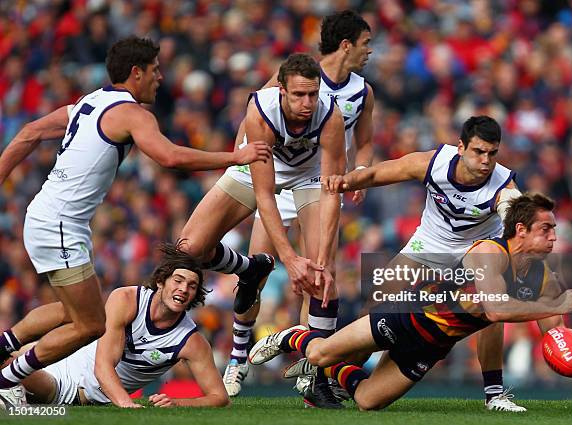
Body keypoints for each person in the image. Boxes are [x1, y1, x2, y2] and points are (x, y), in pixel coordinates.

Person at [0, 36, 271, 403]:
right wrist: (235, 157)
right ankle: (7, 379)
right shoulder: (130, 113)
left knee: (75, 312)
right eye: (155, 70)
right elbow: (170, 157)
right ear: (136, 72)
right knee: (91, 325)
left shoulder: (88, 102)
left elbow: (29, 133)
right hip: (61, 225)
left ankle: (6, 346)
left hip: (45, 215)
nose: (160, 77)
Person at [249, 193, 572, 411]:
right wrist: (558, 306)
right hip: (407, 315)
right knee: (316, 354)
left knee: (367, 401)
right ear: (521, 230)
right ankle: (291, 336)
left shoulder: (542, 276)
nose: (555, 237)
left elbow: (552, 328)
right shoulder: (489, 252)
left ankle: (335, 370)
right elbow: (496, 310)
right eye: (547, 229)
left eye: (555, 229)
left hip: (433, 345)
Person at [321, 115, 531, 411]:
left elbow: (517, 214)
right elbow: (378, 173)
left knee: (489, 309)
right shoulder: (433, 164)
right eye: (479, 151)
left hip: (477, 250)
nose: (486, 161)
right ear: (461, 147)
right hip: (431, 244)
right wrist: (345, 181)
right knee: (378, 301)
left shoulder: (504, 186)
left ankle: (494, 394)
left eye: (492, 153)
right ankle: (331, 380)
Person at [223, 10, 374, 402]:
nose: (370, 51)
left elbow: (366, 139)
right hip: (275, 179)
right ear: (347, 45)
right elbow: (255, 116)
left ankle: (311, 371)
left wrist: (359, 170)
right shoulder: (297, 76)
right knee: (257, 266)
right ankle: (238, 354)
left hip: (316, 181)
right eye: (366, 43)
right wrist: (243, 156)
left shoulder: (362, 92)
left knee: (323, 272)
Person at [0, 243, 229, 408]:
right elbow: (104, 365)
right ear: (160, 282)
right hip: (53, 353)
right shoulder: (127, 299)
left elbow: (219, 397)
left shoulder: (190, 341)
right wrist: (126, 404)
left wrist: (177, 403)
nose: (184, 289)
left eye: (191, 286)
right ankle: (8, 343)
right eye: (178, 281)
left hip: (64, 387)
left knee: (6, 369)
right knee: (73, 308)